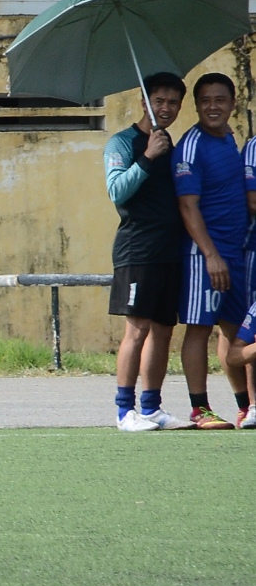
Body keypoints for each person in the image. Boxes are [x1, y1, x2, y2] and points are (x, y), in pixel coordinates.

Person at [105, 73, 188, 431]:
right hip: (137, 250)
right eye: (159, 101)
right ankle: (125, 411)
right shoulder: (122, 142)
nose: (165, 108)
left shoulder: (172, 144)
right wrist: (148, 157)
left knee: (164, 330)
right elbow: (116, 191)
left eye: (173, 102)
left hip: (170, 250)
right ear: (144, 102)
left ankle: (152, 407)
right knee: (137, 329)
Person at [171, 73, 248, 429]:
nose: (212, 107)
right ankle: (199, 408)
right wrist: (211, 255)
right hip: (205, 255)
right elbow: (188, 206)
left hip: (237, 252)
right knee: (200, 328)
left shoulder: (230, 138)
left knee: (235, 330)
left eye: (220, 100)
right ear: (196, 105)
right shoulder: (190, 146)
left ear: (233, 103)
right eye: (205, 101)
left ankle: (246, 407)